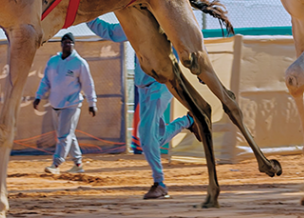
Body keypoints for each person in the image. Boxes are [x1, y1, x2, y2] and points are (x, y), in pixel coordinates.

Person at [87, 17, 200, 200]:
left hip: (159, 85)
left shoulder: (166, 25)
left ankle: (160, 183)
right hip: (144, 88)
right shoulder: (135, 25)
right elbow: (109, 31)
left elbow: (185, 46)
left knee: (146, 136)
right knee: (153, 137)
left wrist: (198, 68)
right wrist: (88, 16)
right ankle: (188, 121)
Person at [33, 32, 97, 175]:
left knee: (63, 135)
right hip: (55, 104)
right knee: (68, 134)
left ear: (73, 45)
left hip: (72, 104)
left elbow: (88, 84)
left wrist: (92, 103)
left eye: (70, 42)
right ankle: (78, 164)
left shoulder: (79, 63)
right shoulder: (53, 61)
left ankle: (56, 164)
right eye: (65, 42)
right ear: (61, 44)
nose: (68, 44)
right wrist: (38, 96)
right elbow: (46, 81)